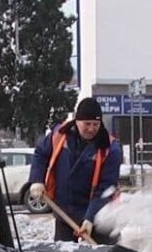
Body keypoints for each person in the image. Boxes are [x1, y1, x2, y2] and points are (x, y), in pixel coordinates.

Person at [28, 97, 122, 244]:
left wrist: (90, 219)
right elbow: (40, 153)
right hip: (64, 213)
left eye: (95, 124)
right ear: (77, 121)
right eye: (87, 124)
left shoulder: (110, 149)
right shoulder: (59, 135)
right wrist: (36, 180)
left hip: (98, 217)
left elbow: (106, 189)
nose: (91, 129)